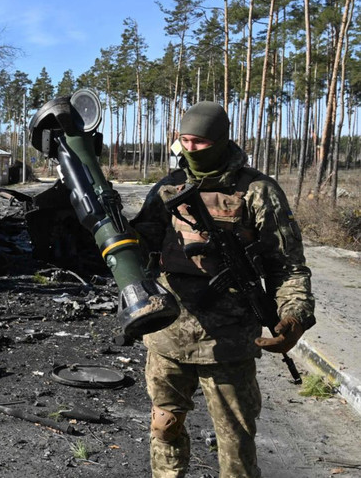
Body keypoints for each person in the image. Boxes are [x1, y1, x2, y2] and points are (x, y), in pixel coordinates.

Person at [130, 101, 315, 478]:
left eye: (200, 142)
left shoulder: (258, 191)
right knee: (164, 428)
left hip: (229, 342)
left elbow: (287, 265)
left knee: (236, 445)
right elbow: (138, 245)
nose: (191, 149)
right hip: (168, 334)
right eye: (184, 141)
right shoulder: (168, 188)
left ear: (221, 140)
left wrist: (294, 316)